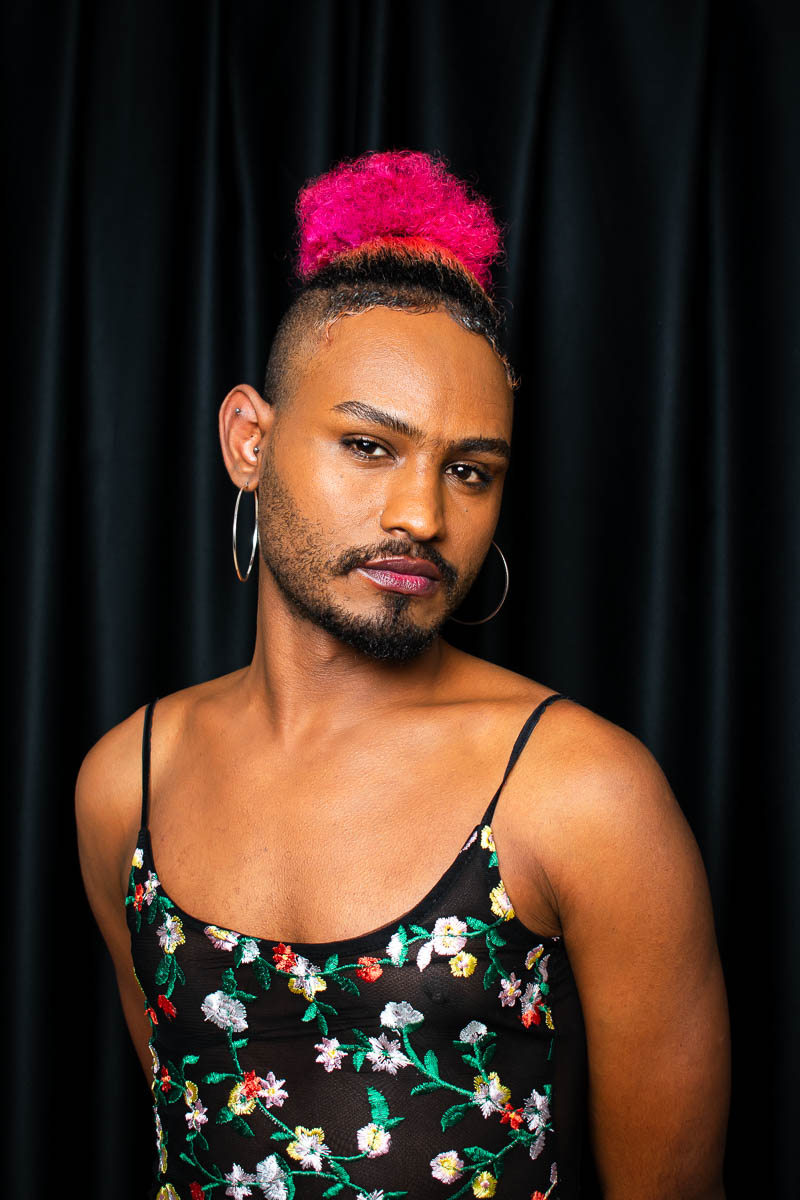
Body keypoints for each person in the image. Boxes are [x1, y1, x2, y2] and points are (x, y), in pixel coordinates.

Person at [76, 150, 729, 1200]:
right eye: (369, 447)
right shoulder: (126, 784)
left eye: (468, 470)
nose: (422, 516)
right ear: (249, 441)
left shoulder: (583, 792)